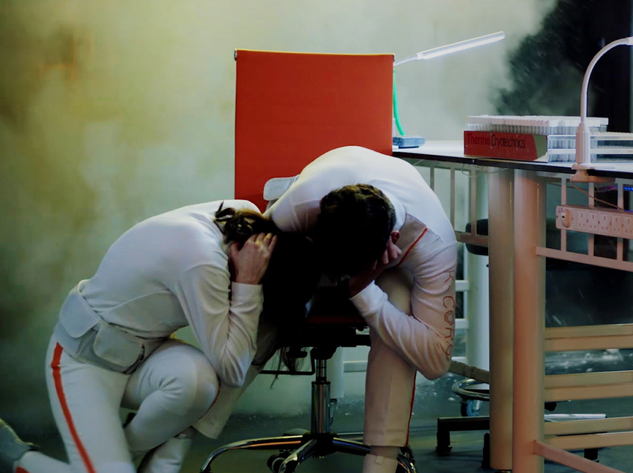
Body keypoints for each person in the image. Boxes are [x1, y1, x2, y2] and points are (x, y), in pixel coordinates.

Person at [0, 200, 287, 473]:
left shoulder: (246, 219)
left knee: (200, 383)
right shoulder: (204, 262)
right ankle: (16, 457)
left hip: (148, 352)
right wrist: (248, 285)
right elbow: (233, 370)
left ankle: (113, 459)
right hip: (85, 361)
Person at [266, 146, 457, 473]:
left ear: (392, 241)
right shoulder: (302, 205)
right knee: (257, 299)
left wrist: (362, 290)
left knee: (397, 300)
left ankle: (381, 459)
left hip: (382, 272)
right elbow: (251, 268)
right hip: (308, 253)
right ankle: (191, 420)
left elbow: (436, 360)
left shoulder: (434, 243)